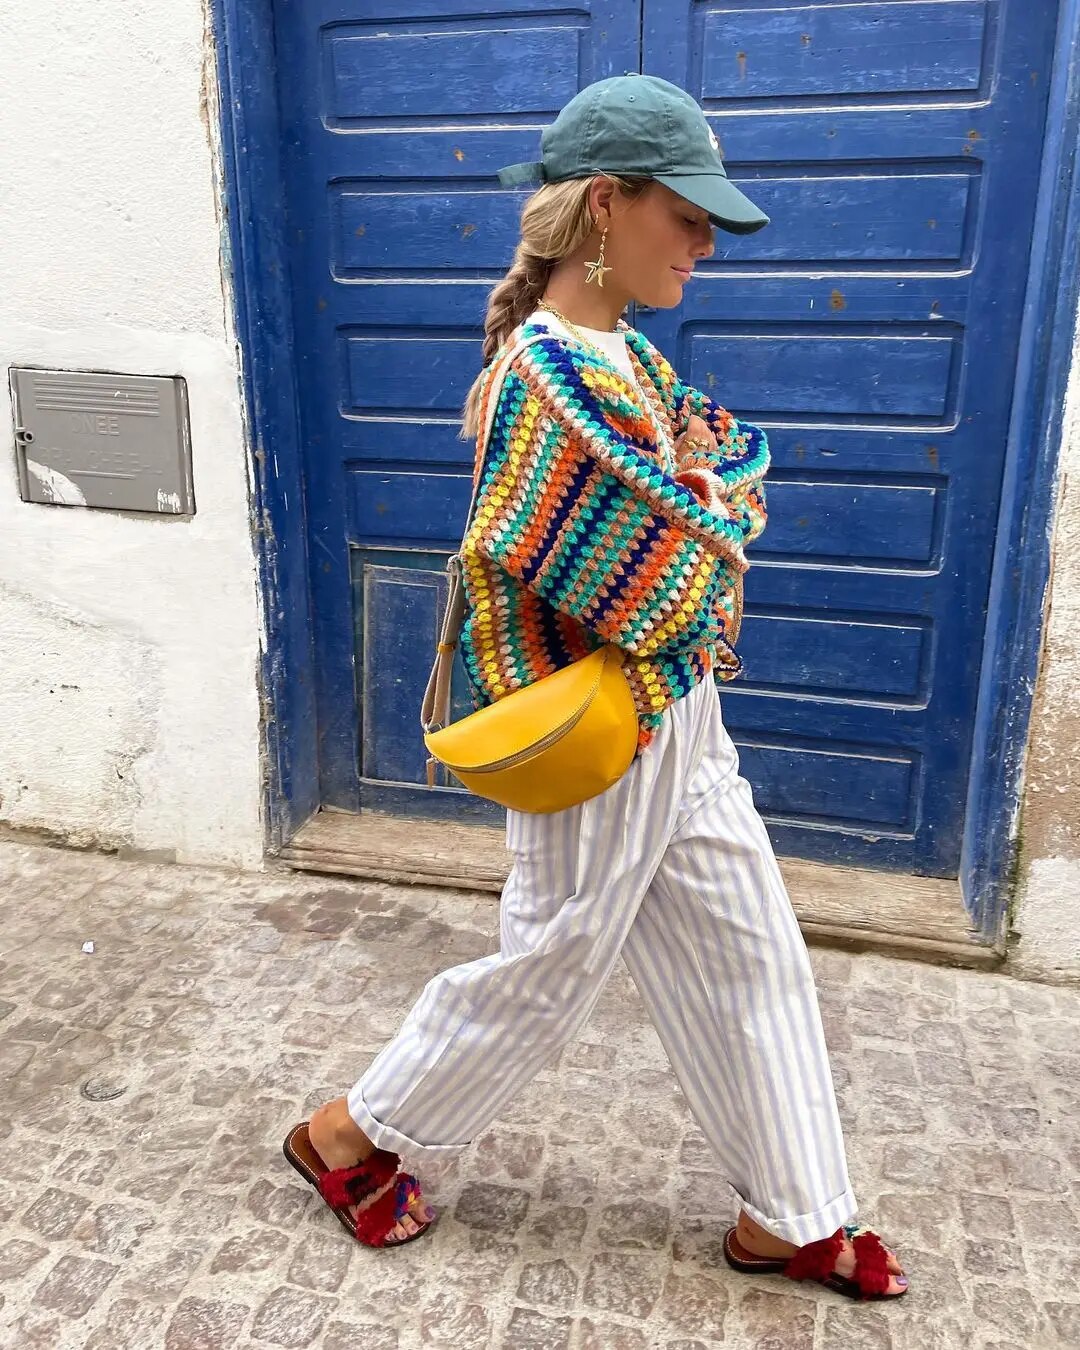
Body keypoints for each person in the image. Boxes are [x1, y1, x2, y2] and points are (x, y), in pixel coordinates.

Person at [284, 74, 909, 1301]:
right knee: (554, 962)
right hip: (604, 722)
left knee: (750, 947)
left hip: (683, 713)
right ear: (608, 207)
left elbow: (712, 505)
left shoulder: (622, 355)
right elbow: (673, 578)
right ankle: (350, 1134)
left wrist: (706, 513)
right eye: (687, 214)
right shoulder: (547, 380)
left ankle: (792, 1210)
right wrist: (713, 514)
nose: (707, 243)